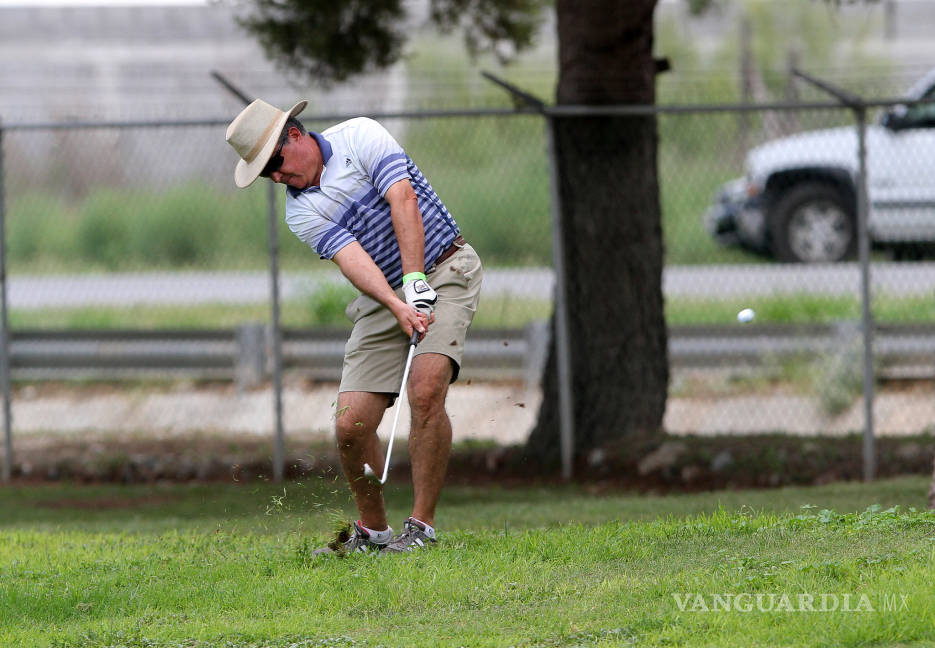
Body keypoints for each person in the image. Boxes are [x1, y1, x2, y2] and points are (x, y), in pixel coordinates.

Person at [226, 99, 483, 554]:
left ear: (296, 135)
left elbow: (402, 198)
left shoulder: (360, 136)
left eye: (277, 163)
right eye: (268, 174)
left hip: (445, 268)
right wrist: (396, 302)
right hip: (383, 293)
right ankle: (375, 531)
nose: (278, 177)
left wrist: (415, 280)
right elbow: (352, 259)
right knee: (350, 424)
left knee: (425, 391)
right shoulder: (299, 211)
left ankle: (421, 528)